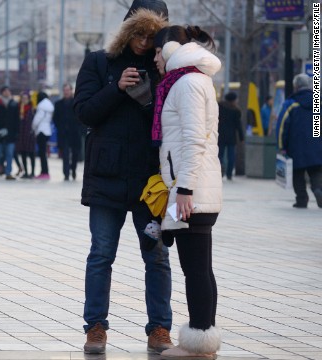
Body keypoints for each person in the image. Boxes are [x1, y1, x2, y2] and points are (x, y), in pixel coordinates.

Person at [73, 0, 172, 354]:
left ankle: (160, 327)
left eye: (152, 36)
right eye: (139, 34)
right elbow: (84, 113)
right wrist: (116, 88)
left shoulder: (165, 68)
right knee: (101, 254)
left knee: (156, 256)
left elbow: (171, 124)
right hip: (106, 177)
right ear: (128, 29)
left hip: (150, 182)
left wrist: (147, 100)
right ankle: (95, 326)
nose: (144, 43)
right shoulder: (99, 62)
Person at [152, 25, 223, 358]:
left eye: (156, 52)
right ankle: (201, 340)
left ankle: (199, 344)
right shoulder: (190, 79)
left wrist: (184, 189)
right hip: (193, 188)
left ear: (167, 51)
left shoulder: (188, 83)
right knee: (199, 267)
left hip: (193, 191)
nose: (153, 59)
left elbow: (195, 140)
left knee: (196, 268)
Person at [277, 74, 322, 209]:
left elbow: (282, 127)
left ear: (296, 87)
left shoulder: (291, 104)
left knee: (298, 174)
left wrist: (281, 146)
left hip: (296, 146)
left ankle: (302, 200)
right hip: (317, 146)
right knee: (316, 172)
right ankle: (318, 190)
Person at [53, 83, 82, 181]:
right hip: (63, 133)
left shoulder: (76, 102)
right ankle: (66, 173)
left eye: (68, 90)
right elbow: (55, 118)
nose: (66, 92)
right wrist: (60, 127)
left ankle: (73, 169)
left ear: (71, 91)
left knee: (75, 154)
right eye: (65, 90)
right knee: (65, 154)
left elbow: (80, 117)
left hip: (74, 133)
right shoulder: (58, 104)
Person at [0, 86, 20, 180]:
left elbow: (17, 119)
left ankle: (8, 172)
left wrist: (16, 132)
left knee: (9, 154)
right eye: (5, 91)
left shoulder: (14, 104)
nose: (7, 93)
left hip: (10, 134)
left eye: (8, 91)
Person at [217, 92, 244, 180]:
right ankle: (229, 174)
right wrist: (241, 137)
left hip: (220, 136)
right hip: (231, 137)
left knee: (219, 155)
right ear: (233, 100)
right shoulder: (236, 110)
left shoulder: (219, 107)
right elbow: (238, 125)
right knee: (231, 156)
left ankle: (219, 172)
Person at [32, 91, 54, 180]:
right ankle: (44, 171)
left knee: (42, 153)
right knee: (43, 152)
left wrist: (33, 127)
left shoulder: (41, 106)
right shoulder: (50, 106)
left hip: (41, 131)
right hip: (47, 130)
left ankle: (44, 172)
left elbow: (37, 119)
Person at [16, 92, 36, 179]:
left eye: (25, 98)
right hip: (21, 134)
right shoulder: (19, 108)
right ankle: (26, 172)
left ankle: (32, 172)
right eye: (22, 98)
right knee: (23, 153)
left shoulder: (32, 109)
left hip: (30, 134)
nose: (24, 100)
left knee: (31, 153)